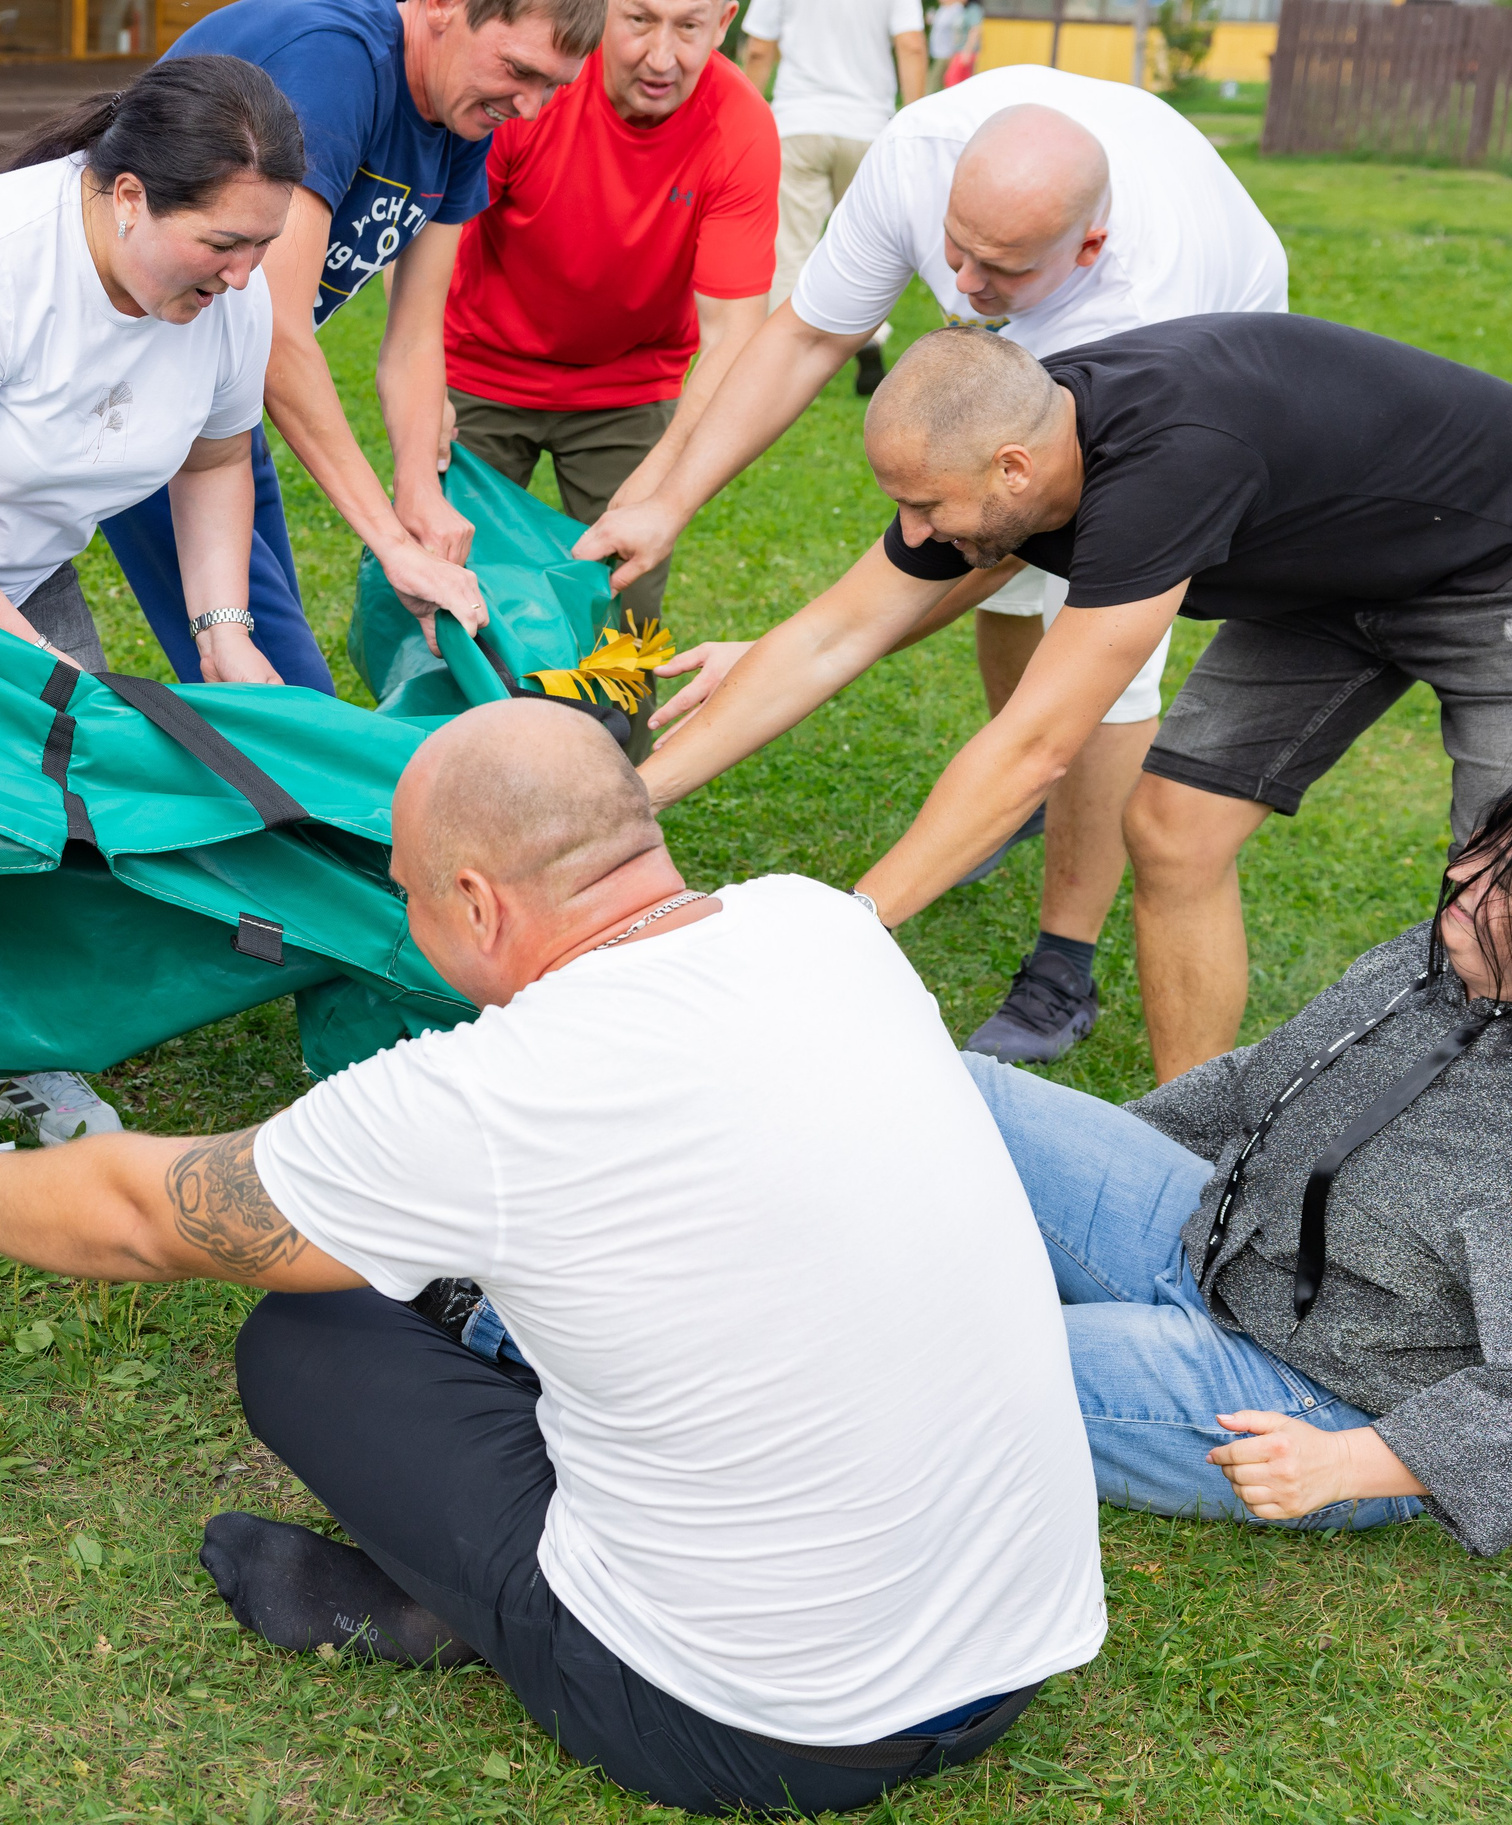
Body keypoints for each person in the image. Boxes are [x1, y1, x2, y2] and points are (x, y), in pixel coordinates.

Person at [0, 697, 1107, 1815]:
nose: (399, 906)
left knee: (310, 1339)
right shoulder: (820, 926)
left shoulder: (491, 1097)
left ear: (479, 902)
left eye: (404, 886)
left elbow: (146, 1214)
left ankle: (460, 1611)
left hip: (748, 1723)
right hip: (1013, 1653)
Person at [585, 71, 1286, 1064]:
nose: (960, 287)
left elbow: (991, 550)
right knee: (1009, 644)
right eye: (952, 251)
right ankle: (1009, 800)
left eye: (996, 269)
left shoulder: (1145, 307)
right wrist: (666, 499)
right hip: (1058, 321)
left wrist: (799, 652)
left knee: (1096, 672)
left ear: (1085, 246)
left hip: (1207, 344)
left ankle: (1061, 961)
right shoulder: (913, 157)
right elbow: (809, 333)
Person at [635, 316, 1512, 1083]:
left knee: (1496, 902)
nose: (912, 534)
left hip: (1490, 562)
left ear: (1013, 469)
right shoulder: (1008, 438)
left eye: (923, 505)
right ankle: (1188, 1133)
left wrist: (850, 927)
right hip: (1328, 570)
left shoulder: (1163, 467)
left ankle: (1464, 1183)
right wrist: (633, 807)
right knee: (1174, 828)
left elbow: (1034, 748)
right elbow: (829, 637)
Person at [0, 58, 304, 1217]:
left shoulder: (231, 291)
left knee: (64, 816)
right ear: (126, 197)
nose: (241, 277)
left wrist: (223, 629)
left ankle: (31, 1051)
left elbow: (219, 458)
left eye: (258, 247)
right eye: (221, 244)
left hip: (22, 553)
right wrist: (16, 658)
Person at [965, 781, 1512, 1557]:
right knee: (959, 1094)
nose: (1464, 874)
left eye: (1506, 881)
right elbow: (1268, 1077)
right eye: (1488, 843)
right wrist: (1075, 1176)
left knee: (960, 1354)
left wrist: (1346, 1462)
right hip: (1210, 1233)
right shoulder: (1440, 958)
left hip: (1310, 1398)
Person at [99, 0, 603, 693]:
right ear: (443, 7)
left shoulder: (462, 113)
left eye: (554, 86)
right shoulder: (335, 64)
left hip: (214, 392)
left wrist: (418, 491)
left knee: (269, 681)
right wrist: (392, 545)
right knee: (280, 692)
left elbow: (417, 335)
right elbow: (274, 329)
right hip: (122, 374)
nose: (531, 106)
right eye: (519, 70)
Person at [438, 0, 777, 643]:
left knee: (625, 609)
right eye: (641, 20)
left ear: (725, 21)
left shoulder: (741, 127)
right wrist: (425, 388)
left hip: (630, 386)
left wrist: (662, 478)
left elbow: (735, 331)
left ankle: (616, 749)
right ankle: (432, 743)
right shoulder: (536, 85)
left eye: (688, 27)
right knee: (441, 580)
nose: (661, 57)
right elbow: (432, 238)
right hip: (481, 367)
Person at [736, 0, 924, 394]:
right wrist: (914, 118)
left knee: (791, 248)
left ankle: (780, 363)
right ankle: (869, 341)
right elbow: (910, 45)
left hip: (798, 124)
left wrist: (743, 118)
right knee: (865, 250)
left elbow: (758, 48)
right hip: (867, 129)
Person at [927, 0, 981, 91]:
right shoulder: (962, 9)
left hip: (965, 52)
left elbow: (975, 31)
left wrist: (967, 52)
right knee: (958, 80)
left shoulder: (973, 10)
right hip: (958, 51)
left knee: (953, 79)